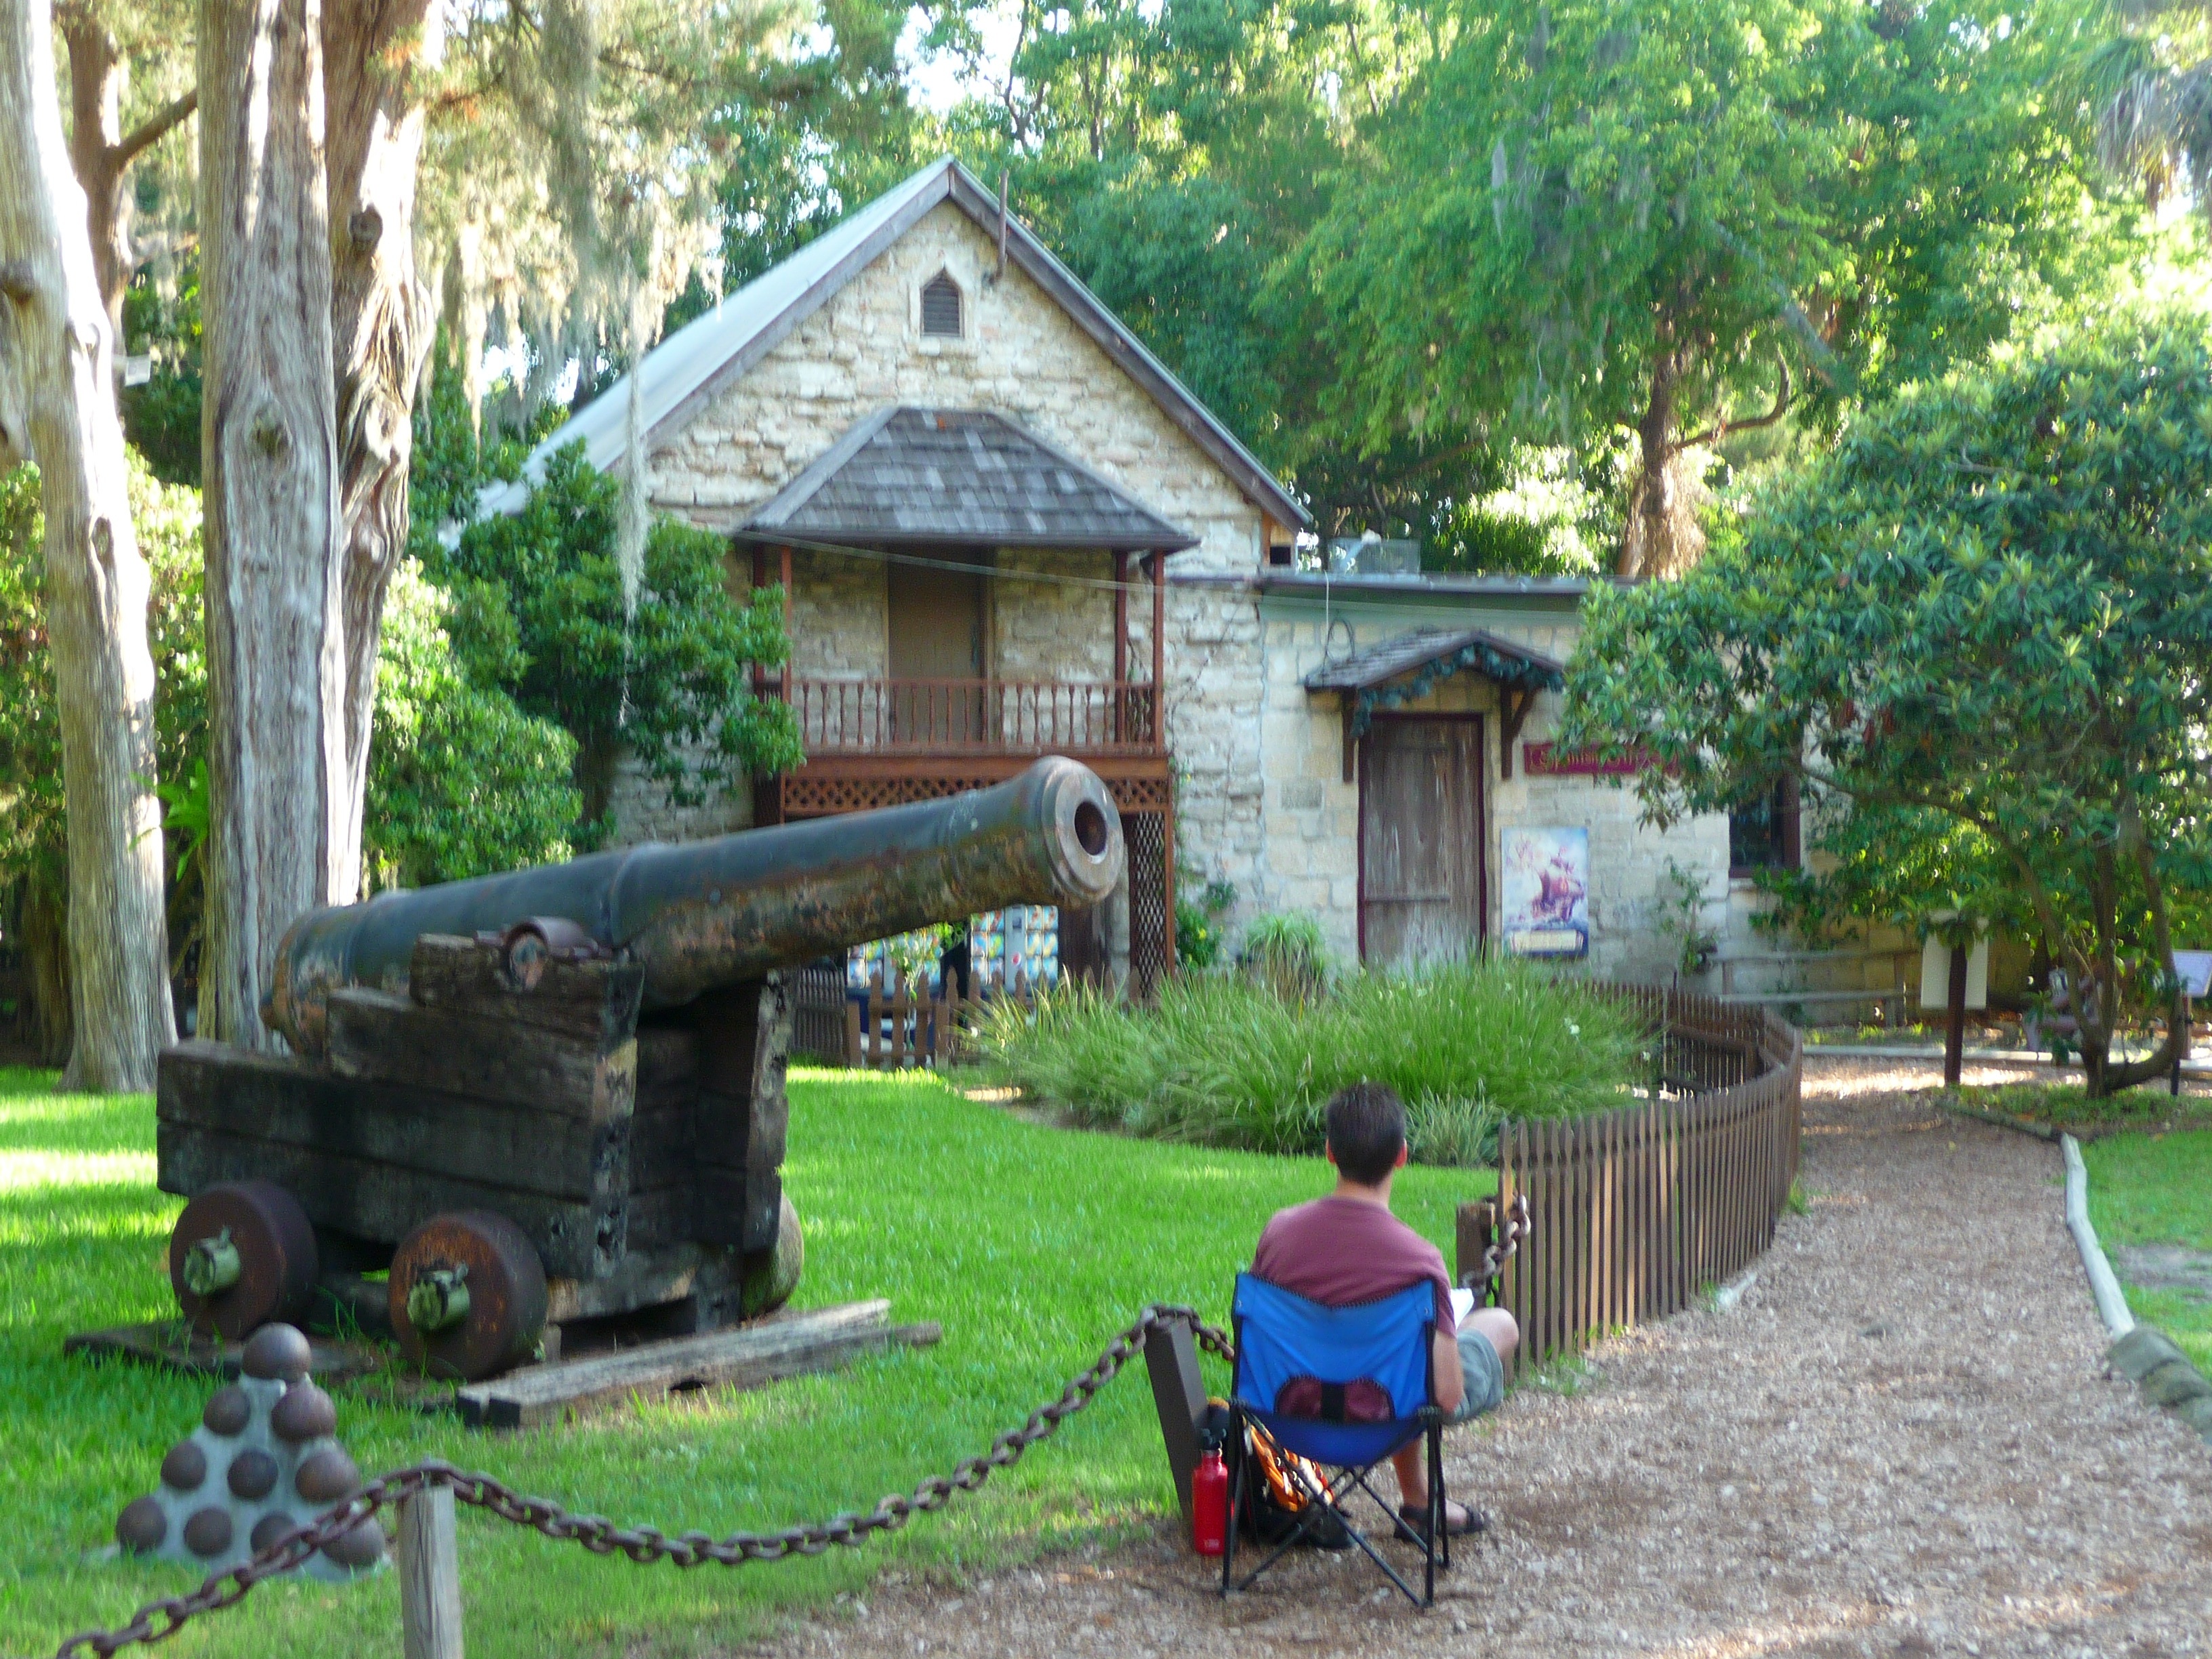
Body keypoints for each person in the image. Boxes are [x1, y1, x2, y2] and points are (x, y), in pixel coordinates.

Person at [1250, 1082, 1519, 1538]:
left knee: (1396, 1353)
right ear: (1402, 1156)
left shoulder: (1278, 1234)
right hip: (1385, 1421)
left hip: (1291, 1419)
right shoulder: (1419, 1260)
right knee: (1497, 1325)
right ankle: (1420, 1502)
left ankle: (1420, 1500)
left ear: (1330, 1152)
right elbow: (1449, 1397)